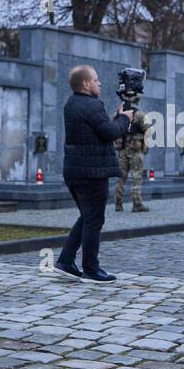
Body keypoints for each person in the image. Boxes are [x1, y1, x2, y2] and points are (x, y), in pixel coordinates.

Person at [56, 65, 133, 282]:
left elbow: (99, 129)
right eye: (96, 80)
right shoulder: (91, 105)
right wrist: (125, 119)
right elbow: (110, 133)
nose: (99, 83)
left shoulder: (72, 103)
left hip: (75, 171)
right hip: (91, 174)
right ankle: (91, 269)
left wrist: (118, 117)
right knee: (94, 220)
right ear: (86, 84)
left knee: (87, 217)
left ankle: (65, 261)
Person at [114, 97, 150, 212]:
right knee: (136, 177)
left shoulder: (117, 114)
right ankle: (137, 203)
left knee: (120, 177)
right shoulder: (140, 115)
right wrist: (145, 146)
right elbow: (149, 130)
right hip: (135, 151)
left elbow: (112, 129)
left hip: (122, 150)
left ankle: (118, 203)